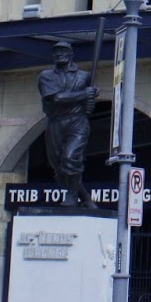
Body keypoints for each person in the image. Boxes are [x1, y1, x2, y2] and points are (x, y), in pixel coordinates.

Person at [37, 42, 99, 206]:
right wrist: (85, 94)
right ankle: (85, 198)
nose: (59, 54)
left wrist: (91, 98)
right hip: (56, 123)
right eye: (56, 51)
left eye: (63, 51)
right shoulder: (46, 76)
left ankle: (71, 196)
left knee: (70, 158)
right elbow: (56, 98)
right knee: (58, 167)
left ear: (71, 54)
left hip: (77, 122)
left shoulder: (84, 76)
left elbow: (88, 104)